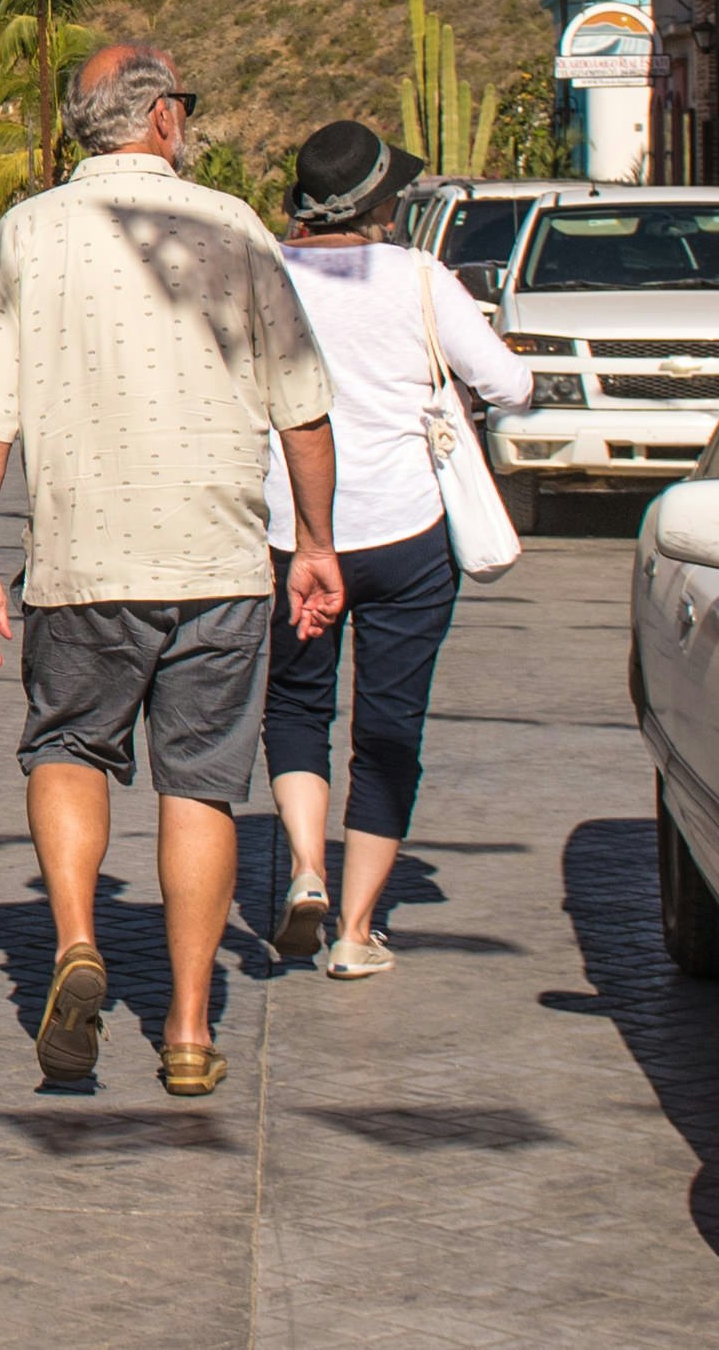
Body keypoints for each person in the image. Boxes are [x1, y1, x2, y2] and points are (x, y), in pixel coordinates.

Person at [0, 45, 345, 1097]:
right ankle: (181, 1027)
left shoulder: (24, 232)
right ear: (162, 116)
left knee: (69, 745)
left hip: (83, 560)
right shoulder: (234, 227)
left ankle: (75, 937)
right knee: (201, 784)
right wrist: (312, 542)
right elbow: (300, 405)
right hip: (218, 560)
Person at [266, 119, 529, 978]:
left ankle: (306, 868)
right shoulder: (421, 278)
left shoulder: (266, 272)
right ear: (380, 202)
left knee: (297, 707)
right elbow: (508, 383)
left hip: (291, 532)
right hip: (406, 536)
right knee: (388, 727)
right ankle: (354, 930)